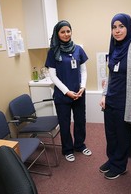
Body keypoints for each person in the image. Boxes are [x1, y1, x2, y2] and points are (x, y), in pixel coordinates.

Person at [99, 13, 131, 179]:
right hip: (111, 98)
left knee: (122, 135)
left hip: (126, 100)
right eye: (114, 27)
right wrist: (104, 94)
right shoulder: (114, 46)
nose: (117, 30)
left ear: (128, 27)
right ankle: (112, 159)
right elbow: (110, 74)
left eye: (121, 26)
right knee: (111, 134)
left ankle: (120, 166)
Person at [45, 20, 92, 162]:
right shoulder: (53, 52)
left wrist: (82, 87)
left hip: (79, 94)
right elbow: (53, 76)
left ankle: (80, 145)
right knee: (64, 123)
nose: (66, 34)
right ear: (57, 34)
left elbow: (83, 71)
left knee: (80, 121)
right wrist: (67, 92)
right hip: (62, 96)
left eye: (68, 31)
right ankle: (67, 149)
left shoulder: (78, 49)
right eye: (62, 32)